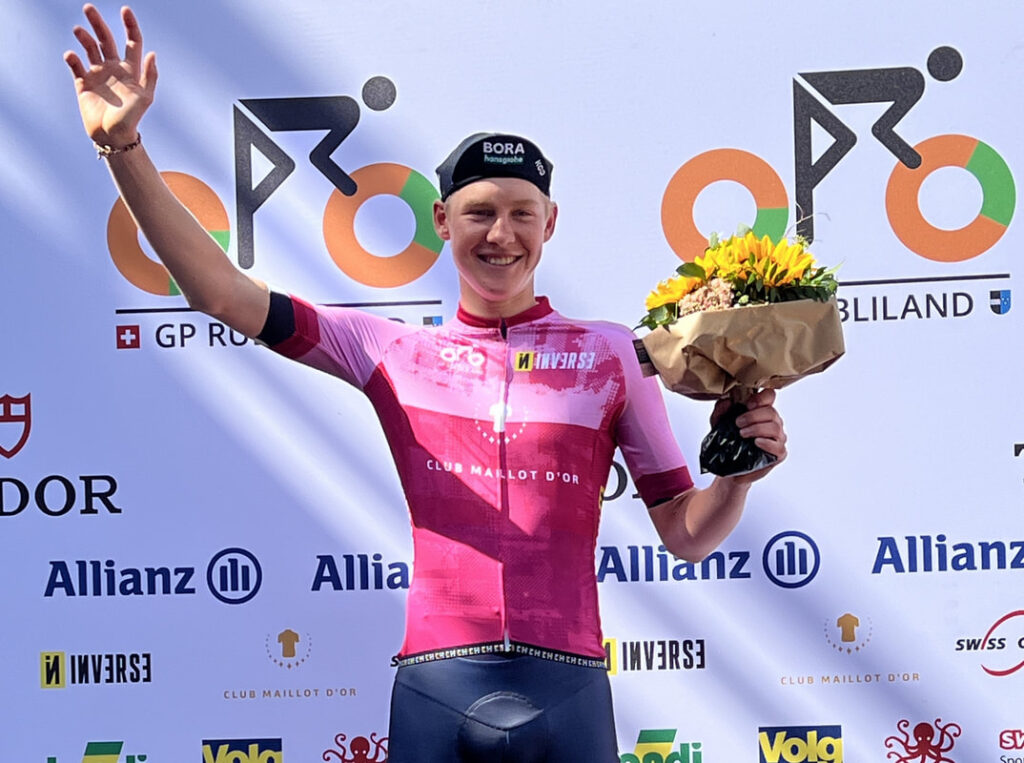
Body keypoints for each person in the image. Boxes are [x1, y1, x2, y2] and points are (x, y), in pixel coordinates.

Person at [65, 6, 788, 761]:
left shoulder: (615, 354)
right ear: (442, 219)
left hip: (568, 685)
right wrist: (124, 147)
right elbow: (222, 294)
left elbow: (686, 534)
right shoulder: (391, 351)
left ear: (550, 223)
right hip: (438, 687)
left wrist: (735, 479)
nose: (501, 234)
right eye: (480, 213)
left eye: (522, 213)